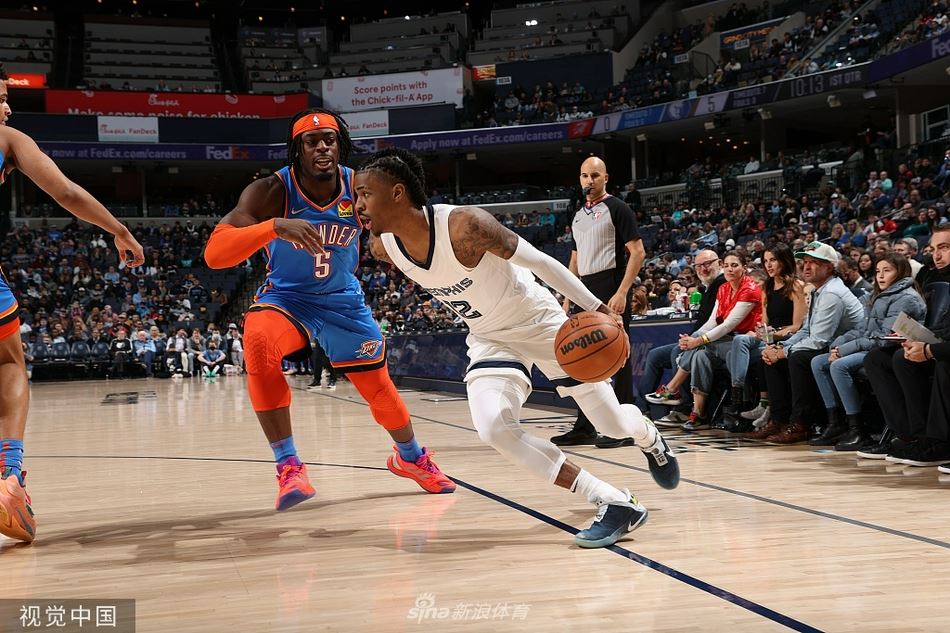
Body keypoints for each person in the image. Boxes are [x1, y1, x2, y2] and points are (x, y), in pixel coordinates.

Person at [355, 148, 679, 549]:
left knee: (612, 425)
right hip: (489, 336)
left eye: (365, 194)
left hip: (540, 325)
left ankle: (648, 436)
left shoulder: (465, 226)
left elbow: (541, 262)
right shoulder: (383, 246)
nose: (358, 205)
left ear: (397, 193)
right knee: (493, 427)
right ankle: (612, 501)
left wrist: (598, 308)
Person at [203, 109, 454, 512]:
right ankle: (289, 466)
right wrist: (274, 227)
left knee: (379, 390)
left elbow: (406, 222)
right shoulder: (271, 191)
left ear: (341, 145)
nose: (322, 147)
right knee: (258, 342)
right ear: (297, 149)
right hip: (288, 299)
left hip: (341, 300)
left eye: (330, 140)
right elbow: (215, 255)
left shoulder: (360, 186)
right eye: (311, 141)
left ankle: (410, 457)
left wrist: (392, 241)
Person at [0, 71, 145, 542]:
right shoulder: (8, 140)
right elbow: (64, 192)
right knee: (8, 364)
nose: (7, 108)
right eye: (0, 99)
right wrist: (119, 229)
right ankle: (9, 475)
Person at [553, 156, 646, 449]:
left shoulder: (618, 208)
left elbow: (638, 252)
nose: (589, 180)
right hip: (584, 288)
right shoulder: (578, 215)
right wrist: (566, 298)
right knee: (585, 359)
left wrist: (622, 292)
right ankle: (585, 427)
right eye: (584, 175)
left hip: (611, 284)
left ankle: (626, 427)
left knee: (618, 356)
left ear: (606, 178)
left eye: (594, 175)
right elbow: (575, 260)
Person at [809, 252, 926, 450]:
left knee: (839, 366)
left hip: (889, 351)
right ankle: (836, 423)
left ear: (900, 272)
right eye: (878, 271)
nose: (880, 276)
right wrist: (837, 345)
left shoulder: (906, 298)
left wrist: (844, 350)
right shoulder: (877, 295)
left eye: (887, 271)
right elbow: (862, 330)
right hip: (871, 346)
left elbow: (884, 338)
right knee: (818, 362)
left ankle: (857, 429)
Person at [758, 242, 865, 444]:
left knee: (798, 358)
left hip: (846, 348)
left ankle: (801, 424)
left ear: (830, 267)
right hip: (830, 344)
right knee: (771, 357)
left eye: (814, 262)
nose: (806, 267)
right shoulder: (819, 290)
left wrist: (783, 352)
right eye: (805, 262)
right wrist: (780, 348)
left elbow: (818, 340)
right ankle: (779, 420)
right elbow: (806, 329)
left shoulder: (832, 293)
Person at [861, 225, 950, 462]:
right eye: (933, 249)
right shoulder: (935, 277)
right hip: (937, 344)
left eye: (944, 248)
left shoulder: (907, 295)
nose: (936, 255)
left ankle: (936, 440)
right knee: (877, 358)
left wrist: (929, 349)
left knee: (913, 359)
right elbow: (945, 329)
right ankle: (908, 435)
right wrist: (921, 339)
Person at [645, 251, 762, 430]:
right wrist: (693, 338)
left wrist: (697, 341)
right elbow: (713, 321)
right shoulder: (724, 288)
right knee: (700, 356)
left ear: (744, 268)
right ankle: (698, 413)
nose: (730, 269)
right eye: (727, 266)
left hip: (745, 342)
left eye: (735, 265)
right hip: (726, 341)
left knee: (699, 347)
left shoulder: (750, 289)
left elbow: (728, 325)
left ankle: (673, 388)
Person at [731, 244, 806, 430]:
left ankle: (775, 416)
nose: (769, 265)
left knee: (768, 360)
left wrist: (774, 334)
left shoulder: (796, 286)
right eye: (765, 261)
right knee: (758, 357)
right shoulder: (767, 287)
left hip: (790, 337)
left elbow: (797, 325)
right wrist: (762, 332)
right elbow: (765, 322)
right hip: (771, 338)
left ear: (784, 260)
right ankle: (766, 407)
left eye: (773, 260)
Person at [646, 250, 725, 424]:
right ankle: (642, 409)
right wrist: (691, 338)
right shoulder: (708, 286)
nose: (703, 269)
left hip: (716, 339)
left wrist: (694, 339)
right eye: (699, 266)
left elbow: (720, 323)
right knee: (655, 355)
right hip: (702, 336)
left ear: (719, 263)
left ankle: (683, 407)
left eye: (707, 264)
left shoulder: (722, 284)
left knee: (677, 351)